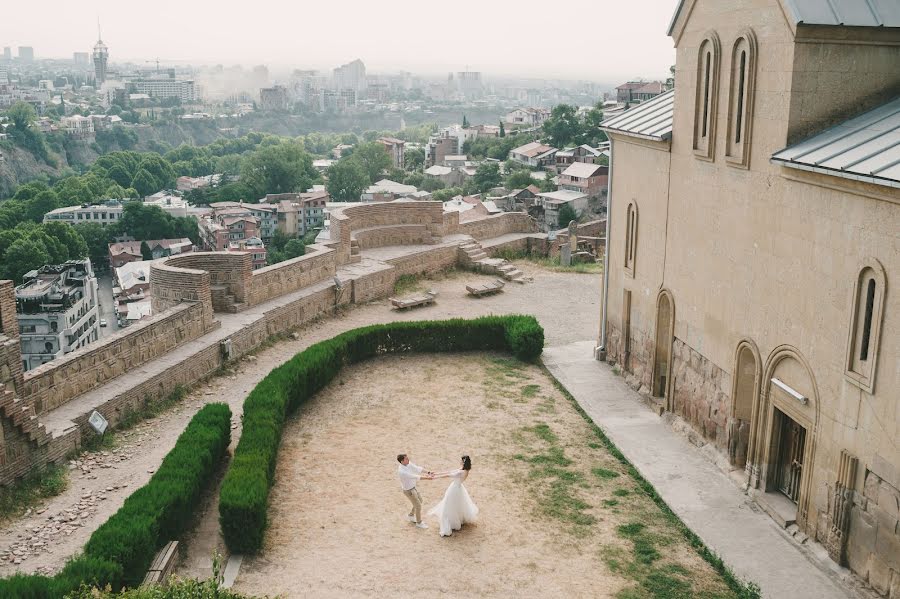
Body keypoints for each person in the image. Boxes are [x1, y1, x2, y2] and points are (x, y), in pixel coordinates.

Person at [427, 455, 479, 537]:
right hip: (458, 488)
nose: (460, 461)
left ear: (463, 462)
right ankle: (457, 520)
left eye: (461, 461)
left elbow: (448, 475)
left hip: (454, 490)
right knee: (456, 505)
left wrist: (435, 477)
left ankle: (450, 524)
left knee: (449, 505)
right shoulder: (464, 470)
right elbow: (449, 472)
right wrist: (436, 473)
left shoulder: (460, 472)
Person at [397, 453, 434, 529]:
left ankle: (411, 515)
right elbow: (415, 477)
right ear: (402, 461)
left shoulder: (408, 463)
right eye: (406, 459)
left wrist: (428, 472)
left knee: (420, 500)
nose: (408, 460)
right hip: (408, 491)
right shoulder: (402, 472)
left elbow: (417, 468)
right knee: (418, 506)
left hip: (413, 488)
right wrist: (427, 478)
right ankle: (419, 522)